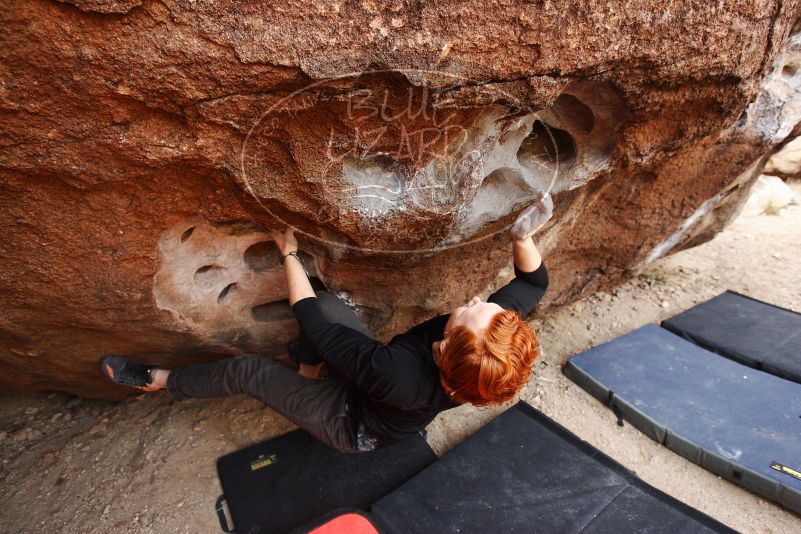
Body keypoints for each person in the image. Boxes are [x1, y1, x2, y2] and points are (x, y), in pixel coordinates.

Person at [101, 193, 553, 453]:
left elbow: (313, 325)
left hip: (350, 422)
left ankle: (158, 380)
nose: (477, 299)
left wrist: (290, 253)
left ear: (446, 346)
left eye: (471, 308)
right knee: (331, 308)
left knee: (250, 371)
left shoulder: (397, 372)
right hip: (381, 389)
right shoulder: (479, 353)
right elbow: (532, 282)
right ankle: (310, 373)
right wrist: (522, 238)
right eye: (487, 304)